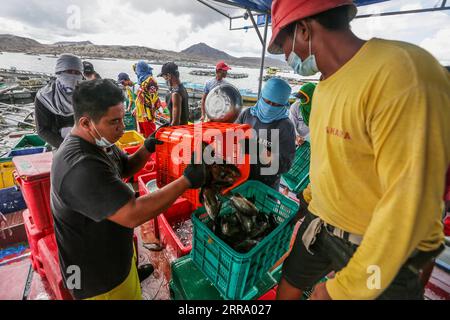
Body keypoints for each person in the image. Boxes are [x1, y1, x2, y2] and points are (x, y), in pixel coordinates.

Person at [268, 0, 450, 300]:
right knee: (287, 287)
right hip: (323, 224)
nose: (288, 57)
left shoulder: (401, 72)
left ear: (303, 30)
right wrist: (306, 201)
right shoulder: (325, 86)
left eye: (285, 47)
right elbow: (335, 157)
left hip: (388, 246)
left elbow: (410, 205)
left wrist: (340, 290)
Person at [51, 79, 207, 300]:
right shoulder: (80, 166)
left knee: (130, 280)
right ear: (86, 123)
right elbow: (133, 213)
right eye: (114, 121)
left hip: (115, 254)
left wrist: (147, 147)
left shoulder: (99, 141)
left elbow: (124, 167)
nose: (122, 128)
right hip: (98, 279)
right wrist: (187, 180)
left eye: (122, 118)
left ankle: (130, 271)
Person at [235, 78, 296, 191]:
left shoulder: (286, 126)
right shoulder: (247, 114)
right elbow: (231, 138)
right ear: (261, 96)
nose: (270, 107)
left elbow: (285, 165)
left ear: (284, 104)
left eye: (276, 104)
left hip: (266, 186)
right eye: (267, 101)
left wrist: (261, 151)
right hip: (240, 178)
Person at [35, 54, 83, 148]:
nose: (72, 76)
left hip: (86, 140)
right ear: (59, 72)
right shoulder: (44, 97)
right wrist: (66, 146)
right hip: (59, 144)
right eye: (69, 71)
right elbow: (42, 129)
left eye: (77, 73)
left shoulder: (87, 93)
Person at [135, 61, 160, 137]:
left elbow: (153, 99)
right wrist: (136, 109)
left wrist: (152, 114)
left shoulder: (150, 80)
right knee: (144, 136)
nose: (136, 72)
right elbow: (141, 96)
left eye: (137, 70)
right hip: (141, 115)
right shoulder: (143, 80)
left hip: (148, 116)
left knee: (150, 136)